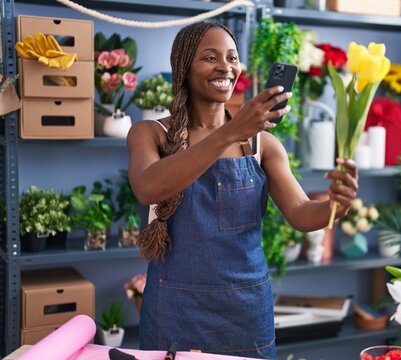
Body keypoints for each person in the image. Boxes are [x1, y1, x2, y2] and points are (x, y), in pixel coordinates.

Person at [127, 22, 358, 358]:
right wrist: (232, 130)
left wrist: (338, 203)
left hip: (245, 312)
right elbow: (148, 187)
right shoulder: (150, 134)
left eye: (232, 57)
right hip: (173, 308)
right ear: (184, 68)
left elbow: (301, 214)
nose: (226, 66)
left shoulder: (263, 144)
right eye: (210, 57)